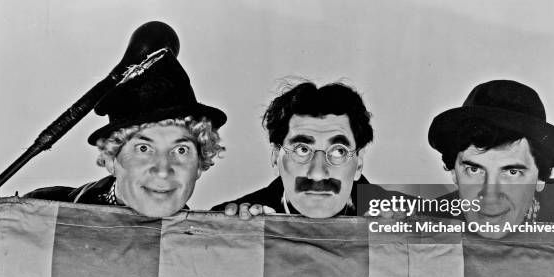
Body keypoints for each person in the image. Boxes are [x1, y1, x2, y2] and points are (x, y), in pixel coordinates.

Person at [25, 52, 227, 218]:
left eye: (181, 150)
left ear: (199, 165)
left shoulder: (206, 248)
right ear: (111, 160)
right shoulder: (37, 215)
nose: (163, 171)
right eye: (144, 149)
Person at [427, 79, 554, 238]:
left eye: (512, 172)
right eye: (474, 170)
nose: (490, 196)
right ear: (454, 174)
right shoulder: (428, 221)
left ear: (540, 179)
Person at [213, 81, 401, 218]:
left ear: (359, 163)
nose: (318, 174)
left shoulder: (412, 220)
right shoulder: (228, 222)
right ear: (275, 156)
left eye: (338, 151)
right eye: (302, 149)